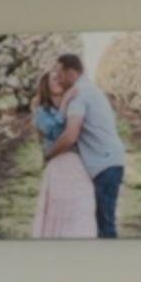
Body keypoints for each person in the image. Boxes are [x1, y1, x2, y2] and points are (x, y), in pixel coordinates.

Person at [43, 53, 126, 238]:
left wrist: (49, 154)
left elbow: (71, 135)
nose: (57, 77)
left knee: (104, 227)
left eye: (59, 72)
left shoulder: (79, 94)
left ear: (71, 72)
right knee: (98, 224)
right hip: (109, 161)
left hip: (105, 165)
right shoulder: (89, 89)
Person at [31, 67, 97, 239]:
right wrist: (65, 102)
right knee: (61, 212)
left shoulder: (75, 105)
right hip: (59, 165)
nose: (59, 80)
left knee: (83, 205)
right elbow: (54, 131)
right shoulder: (41, 111)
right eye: (54, 78)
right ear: (46, 85)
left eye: (60, 77)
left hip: (78, 164)